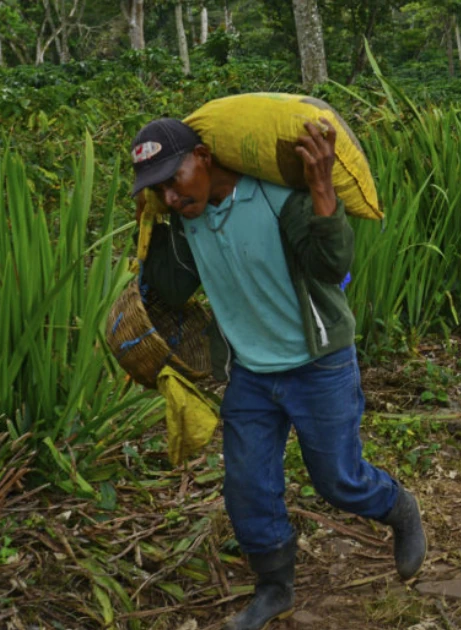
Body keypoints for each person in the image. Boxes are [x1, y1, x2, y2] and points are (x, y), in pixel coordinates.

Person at [130, 117, 426, 630]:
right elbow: (171, 291)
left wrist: (321, 189)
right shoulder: (185, 219)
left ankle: (399, 507)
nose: (171, 197)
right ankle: (274, 589)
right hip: (250, 371)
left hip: (319, 363)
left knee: (337, 480)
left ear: (203, 157)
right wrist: (152, 225)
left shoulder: (276, 198)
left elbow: (331, 265)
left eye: (173, 179)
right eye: (158, 189)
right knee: (246, 486)